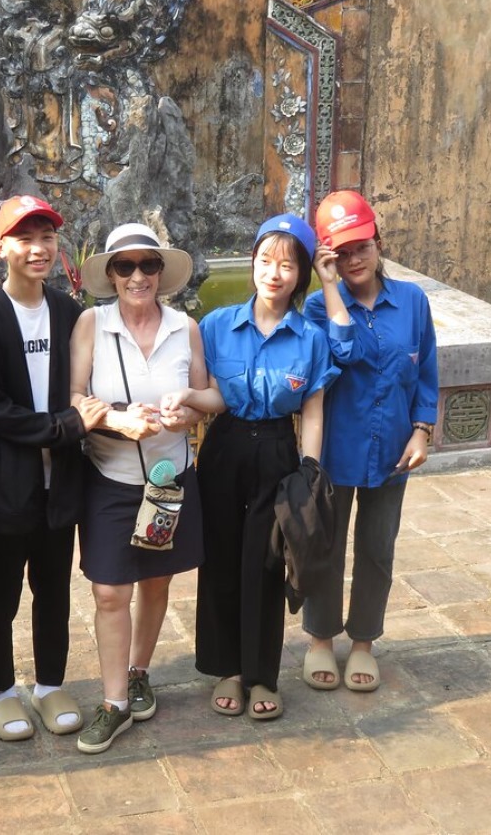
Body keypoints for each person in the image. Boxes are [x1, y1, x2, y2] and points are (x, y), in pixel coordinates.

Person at [167, 215, 339, 720]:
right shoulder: (217, 326)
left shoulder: (310, 338)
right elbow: (211, 396)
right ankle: (226, 669)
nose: (273, 273)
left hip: (277, 453)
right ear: (253, 264)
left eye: (287, 265)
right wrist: (185, 397)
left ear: (301, 274)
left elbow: (312, 409)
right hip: (224, 447)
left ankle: (262, 674)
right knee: (220, 558)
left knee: (266, 563)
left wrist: (310, 469)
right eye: (265, 261)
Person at [0, 195, 108, 742]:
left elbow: (87, 384)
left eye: (46, 237)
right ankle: (0, 691)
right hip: (7, 486)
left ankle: (49, 685)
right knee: (0, 595)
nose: (38, 248)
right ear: (0, 248)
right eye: (24, 238)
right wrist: (63, 427)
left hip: (59, 484)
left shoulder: (69, 312)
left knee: (54, 590)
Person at [68, 223, 208, 753]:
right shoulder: (92, 323)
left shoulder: (184, 327)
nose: (137, 276)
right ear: (110, 275)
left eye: (148, 265)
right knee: (109, 591)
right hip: (111, 477)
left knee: (155, 582)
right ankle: (114, 704)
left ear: (161, 272)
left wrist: (185, 413)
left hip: (169, 481)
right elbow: (72, 396)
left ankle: (138, 672)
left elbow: (203, 394)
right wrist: (116, 421)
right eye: (125, 266)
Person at [300, 190, 439, 693]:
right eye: (340, 253)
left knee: (378, 548)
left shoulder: (412, 301)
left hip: (392, 449)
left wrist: (422, 429)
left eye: (361, 247)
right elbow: (344, 353)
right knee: (326, 546)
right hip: (336, 448)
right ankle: (320, 638)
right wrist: (329, 286)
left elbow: (426, 370)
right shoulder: (318, 307)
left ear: (379, 242)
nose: (354, 259)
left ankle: (363, 642)